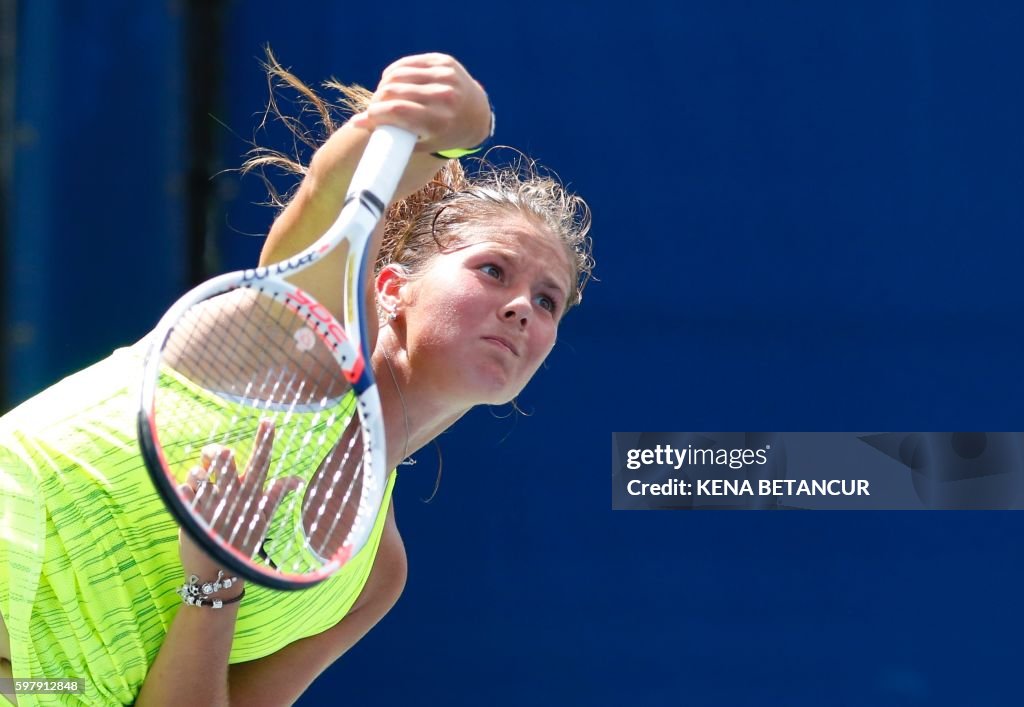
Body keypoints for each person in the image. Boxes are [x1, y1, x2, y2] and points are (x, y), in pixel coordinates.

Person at [0, 52, 592, 706]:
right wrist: (462, 124)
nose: (520, 307)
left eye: (547, 301)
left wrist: (214, 583)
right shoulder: (300, 334)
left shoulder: (373, 577)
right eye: (493, 270)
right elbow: (336, 185)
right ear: (392, 288)